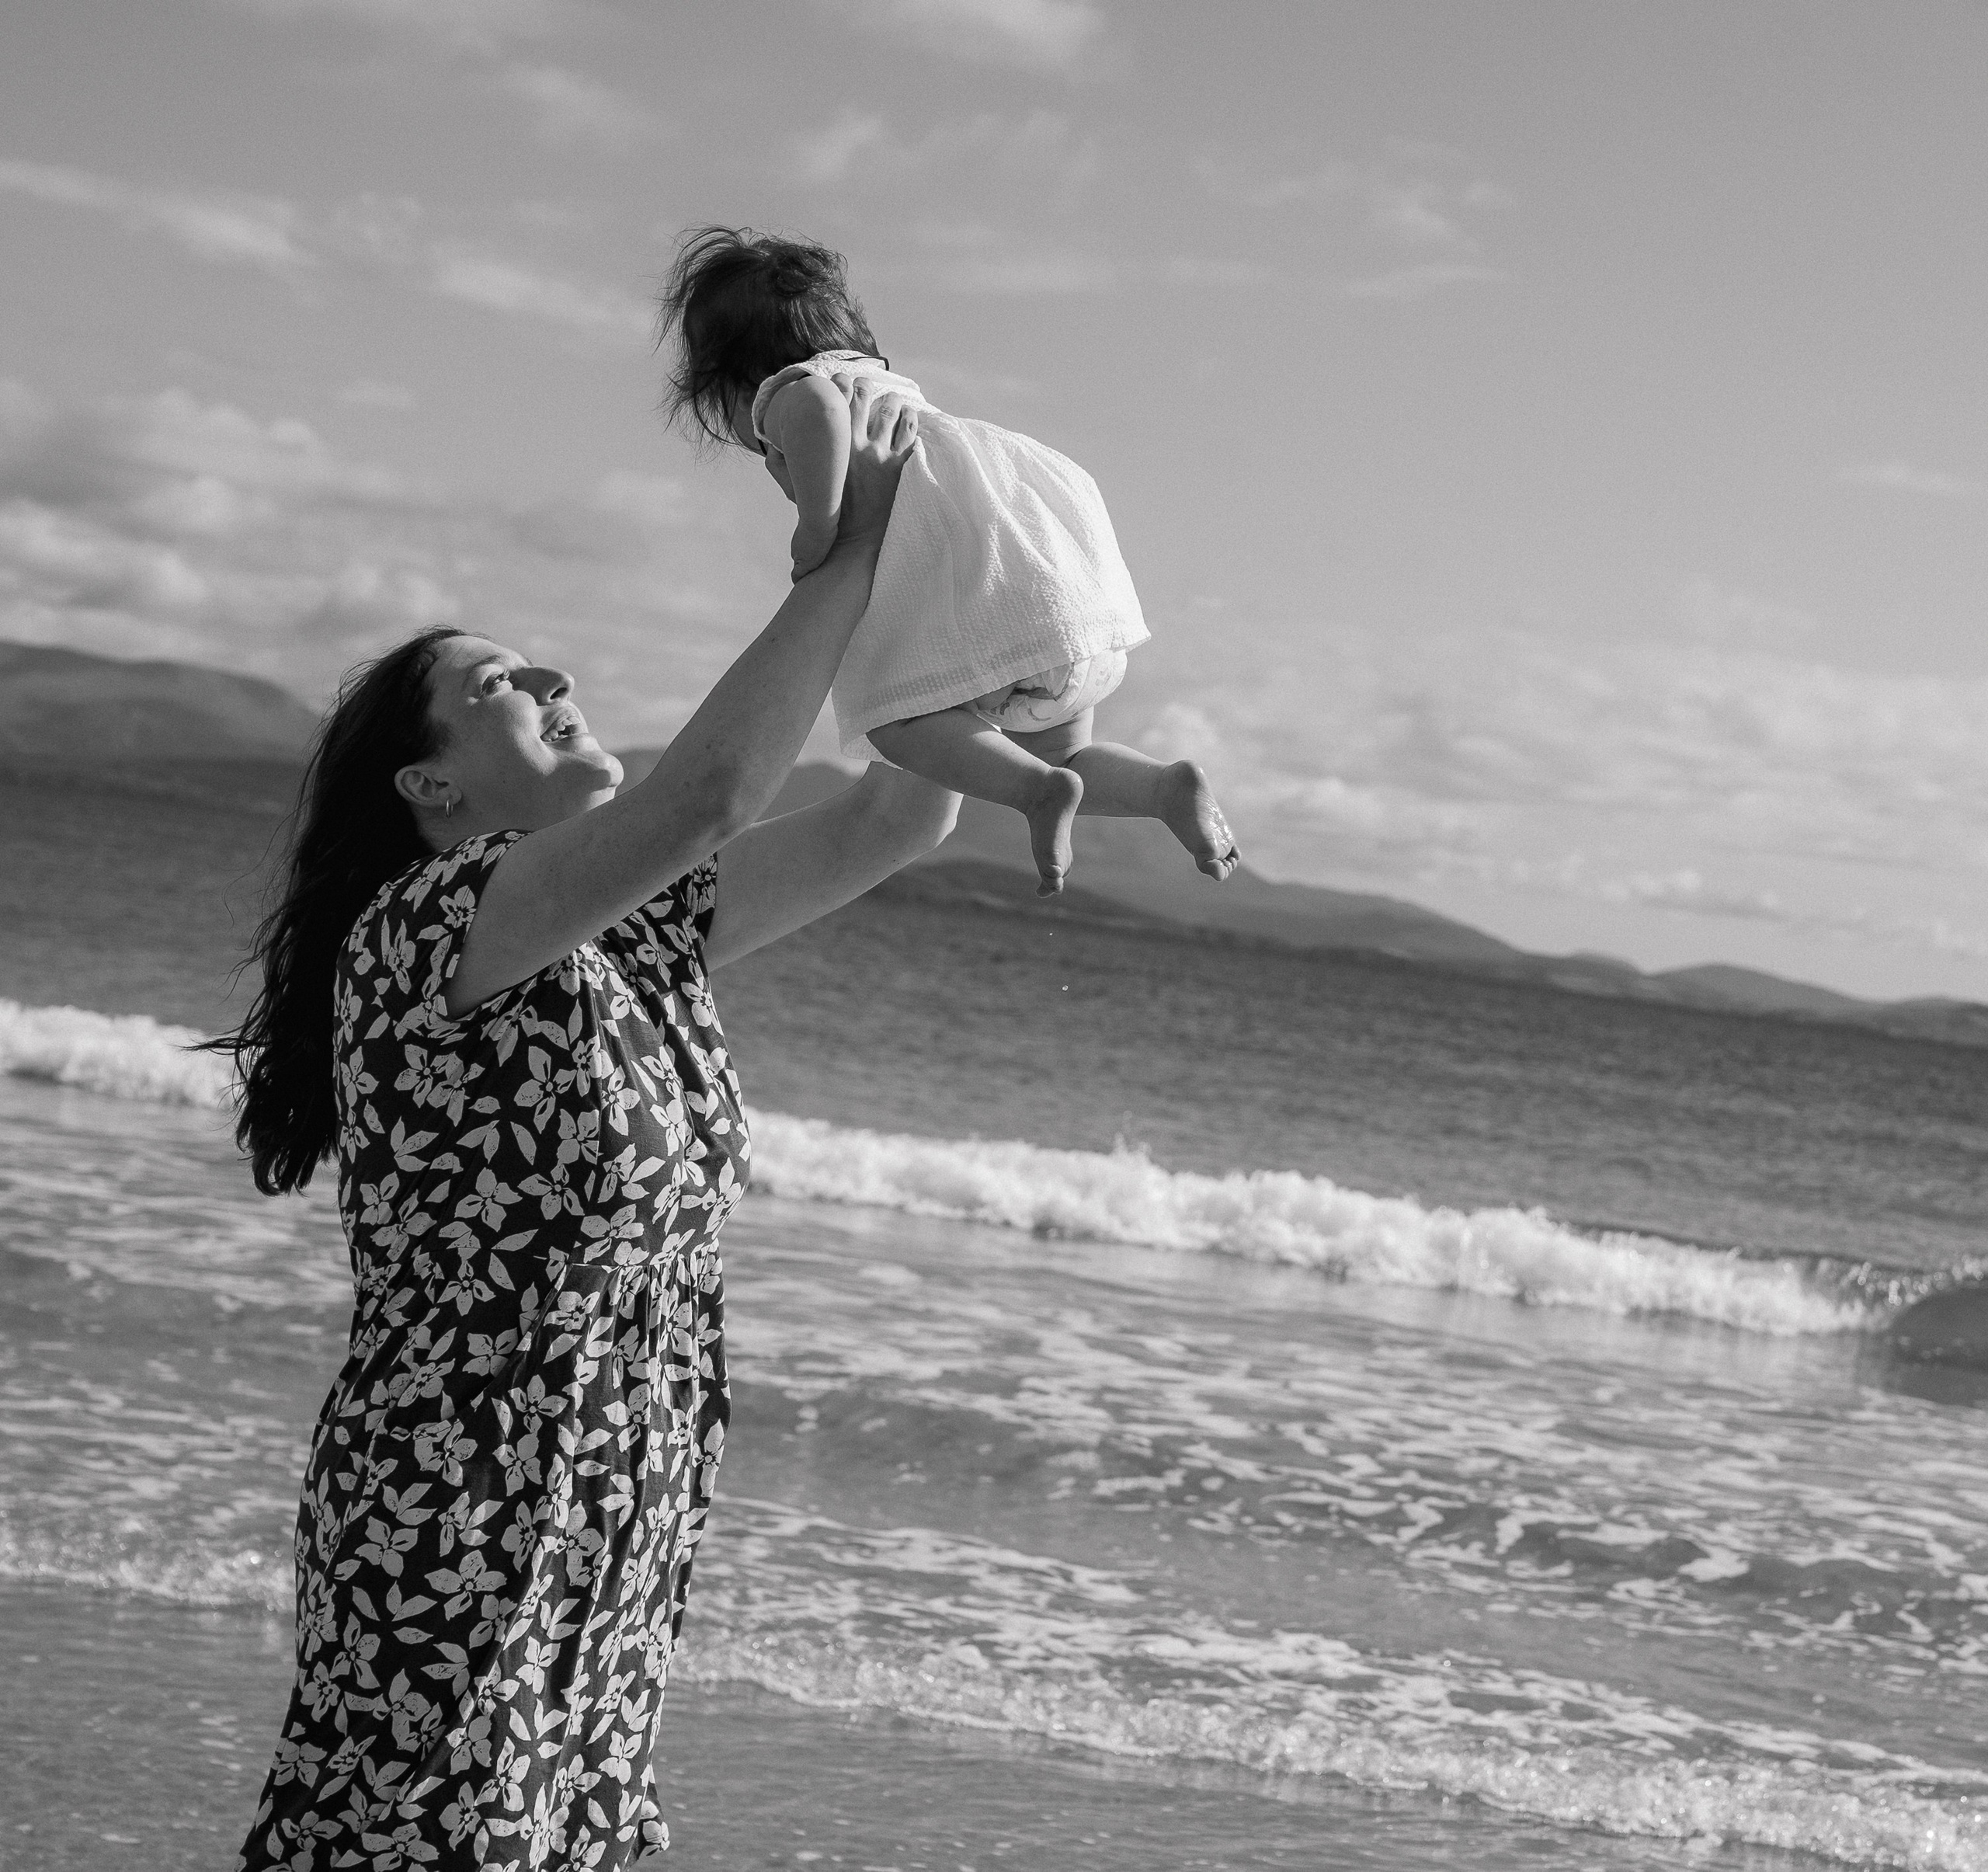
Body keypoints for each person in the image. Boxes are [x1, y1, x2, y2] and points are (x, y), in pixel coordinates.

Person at [221, 381, 951, 1870]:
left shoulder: (630, 932)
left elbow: (900, 815)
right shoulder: (426, 923)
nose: (552, 675)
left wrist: (1002, 595)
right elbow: (713, 793)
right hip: (459, 1499)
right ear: (430, 783)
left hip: (619, 1494)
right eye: (500, 682)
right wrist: (846, 547)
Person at [659, 224, 1242, 898]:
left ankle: (1034, 793)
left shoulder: (795, 388)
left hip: (987, 612)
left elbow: (816, 412)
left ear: (732, 382)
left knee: (896, 723)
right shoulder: (899, 394)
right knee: (1067, 752)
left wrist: (818, 527)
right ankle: (1163, 788)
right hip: (1062, 616)